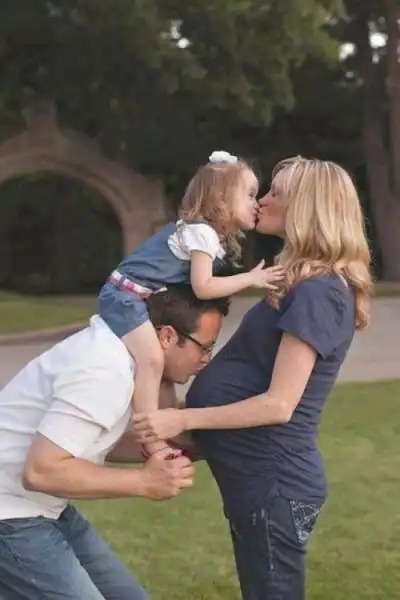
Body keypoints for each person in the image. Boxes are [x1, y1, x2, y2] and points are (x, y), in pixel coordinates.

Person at [133, 157, 373, 600]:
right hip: (258, 480)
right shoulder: (302, 285)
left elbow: (278, 405)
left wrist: (181, 420)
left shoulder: (319, 292)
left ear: (307, 207)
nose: (262, 200)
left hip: (274, 484)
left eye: (275, 192)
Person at [0, 285, 229, 600]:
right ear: (167, 336)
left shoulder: (123, 358)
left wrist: (195, 447)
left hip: (42, 507)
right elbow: (41, 471)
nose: (206, 359)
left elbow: (87, 443)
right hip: (10, 513)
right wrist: (144, 482)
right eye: (205, 347)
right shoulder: (105, 371)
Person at [98, 150, 284, 459]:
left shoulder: (205, 235)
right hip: (125, 297)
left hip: (136, 297)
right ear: (222, 199)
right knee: (152, 361)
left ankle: (169, 432)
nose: (257, 203)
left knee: (164, 367)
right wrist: (250, 279)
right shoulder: (202, 233)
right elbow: (204, 286)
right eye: (250, 194)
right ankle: (150, 436)